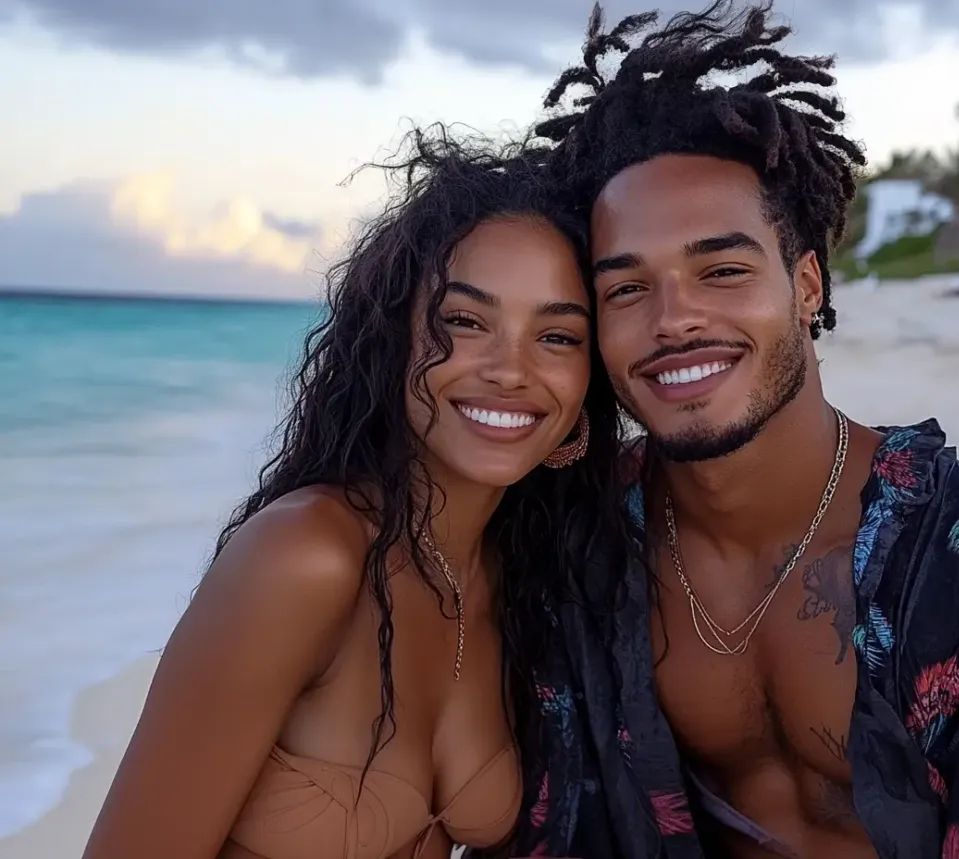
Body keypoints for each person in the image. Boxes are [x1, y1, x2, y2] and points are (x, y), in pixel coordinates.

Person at [509, 3, 959, 858]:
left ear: (806, 285)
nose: (674, 319)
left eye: (723, 270)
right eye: (626, 288)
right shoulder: (568, 544)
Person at [80, 127, 634, 859]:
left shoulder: (519, 578)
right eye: (464, 322)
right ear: (392, 338)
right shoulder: (307, 558)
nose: (511, 369)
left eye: (558, 337)